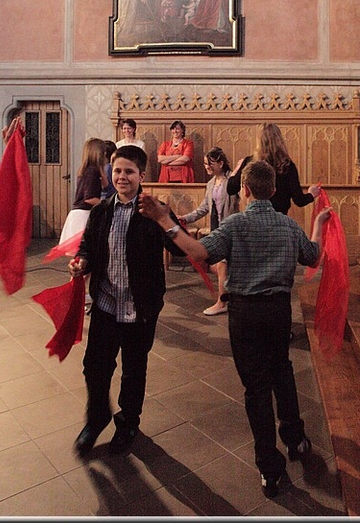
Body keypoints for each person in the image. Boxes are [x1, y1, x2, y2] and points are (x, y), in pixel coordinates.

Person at [139, 159, 331, 497]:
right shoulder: (288, 225)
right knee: (282, 371)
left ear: (244, 190)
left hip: (244, 314)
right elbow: (313, 256)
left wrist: (164, 220)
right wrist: (317, 223)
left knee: (256, 389)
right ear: (273, 190)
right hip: (278, 311)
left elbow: (198, 252)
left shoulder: (234, 224)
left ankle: (269, 469)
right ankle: (296, 439)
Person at [68, 145, 184, 456]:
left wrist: (165, 219)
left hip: (139, 308)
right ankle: (97, 417)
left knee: (133, 369)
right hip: (106, 305)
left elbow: (180, 250)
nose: (122, 177)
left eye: (129, 171)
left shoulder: (154, 211)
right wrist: (81, 262)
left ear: (141, 175)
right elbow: (87, 247)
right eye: (117, 171)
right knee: (95, 367)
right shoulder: (101, 211)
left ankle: (129, 422)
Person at [179, 147, 240, 315]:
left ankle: (222, 302)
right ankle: (229, 298)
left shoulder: (232, 181)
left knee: (222, 265)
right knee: (219, 266)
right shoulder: (211, 183)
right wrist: (185, 218)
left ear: (221, 163)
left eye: (210, 163)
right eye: (205, 163)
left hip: (230, 228)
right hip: (217, 229)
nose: (207, 167)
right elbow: (204, 208)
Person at [227, 123, 321, 215]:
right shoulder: (287, 166)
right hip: (279, 218)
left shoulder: (250, 162)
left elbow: (231, 188)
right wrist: (311, 194)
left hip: (253, 217)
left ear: (259, 141)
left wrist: (236, 169)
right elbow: (299, 200)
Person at [58, 138, 107, 244]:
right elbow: (89, 198)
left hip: (79, 214)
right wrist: (107, 204)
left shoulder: (87, 170)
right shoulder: (92, 171)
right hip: (83, 216)